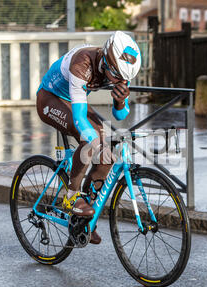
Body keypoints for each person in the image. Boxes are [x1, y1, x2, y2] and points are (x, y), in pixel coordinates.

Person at [36, 31, 141, 244]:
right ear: (107, 61)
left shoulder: (118, 71)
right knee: (90, 140)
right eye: (118, 76)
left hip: (74, 100)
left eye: (125, 79)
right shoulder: (82, 63)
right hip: (50, 99)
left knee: (109, 152)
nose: (120, 81)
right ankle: (71, 198)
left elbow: (121, 115)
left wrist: (120, 102)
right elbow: (79, 119)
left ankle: (84, 220)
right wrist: (93, 139)